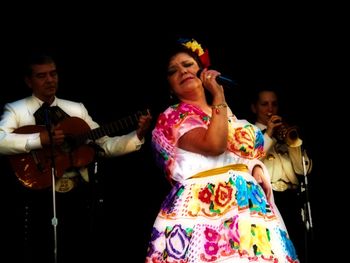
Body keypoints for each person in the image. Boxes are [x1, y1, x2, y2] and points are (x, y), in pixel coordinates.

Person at [145, 37, 299, 262]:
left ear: (202, 71)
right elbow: (215, 146)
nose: (182, 71)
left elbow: (243, 155)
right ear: (169, 85)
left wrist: (254, 168)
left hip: (247, 206)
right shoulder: (173, 117)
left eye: (188, 65)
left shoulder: (226, 115)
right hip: (203, 207)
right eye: (173, 70)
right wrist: (218, 96)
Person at [0, 52, 152, 263]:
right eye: (41, 76)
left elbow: (105, 145)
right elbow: (1, 141)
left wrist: (137, 135)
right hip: (36, 195)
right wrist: (39, 140)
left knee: (78, 249)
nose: (50, 80)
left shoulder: (76, 109)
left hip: (77, 195)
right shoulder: (15, 110)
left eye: (53, 74)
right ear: (29, 81)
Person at [250, 86, 313, 262]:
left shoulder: (286, 133)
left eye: (274, 104)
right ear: (254, 108)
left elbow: (303, 170)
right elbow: (249, 161)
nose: (270, 110)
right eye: (264, 104)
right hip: (268, 201)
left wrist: (294, 144)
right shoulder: (250, 133)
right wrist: (268, 134)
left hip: (292, 200)